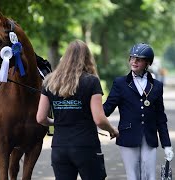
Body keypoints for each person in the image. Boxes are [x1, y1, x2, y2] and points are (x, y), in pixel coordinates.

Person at [36, 39, 119, 180]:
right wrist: (112, 130)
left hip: (60, 147)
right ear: (87, 58)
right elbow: (99, 119)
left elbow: (41, 118)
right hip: (86, 146)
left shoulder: (49, 81)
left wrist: (57, 122)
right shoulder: (91, 81)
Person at [103, 43, 174, 180]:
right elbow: (107, 108)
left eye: (139, 59)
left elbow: (160, 117)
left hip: (149, 136)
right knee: (133, 176)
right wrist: (89, 109)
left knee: (150, 176)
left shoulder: (157, 86)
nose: (134, 61)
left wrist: (167, 144)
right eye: (132, 58)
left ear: (147, 63)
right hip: (127, 135)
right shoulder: (120, 83)